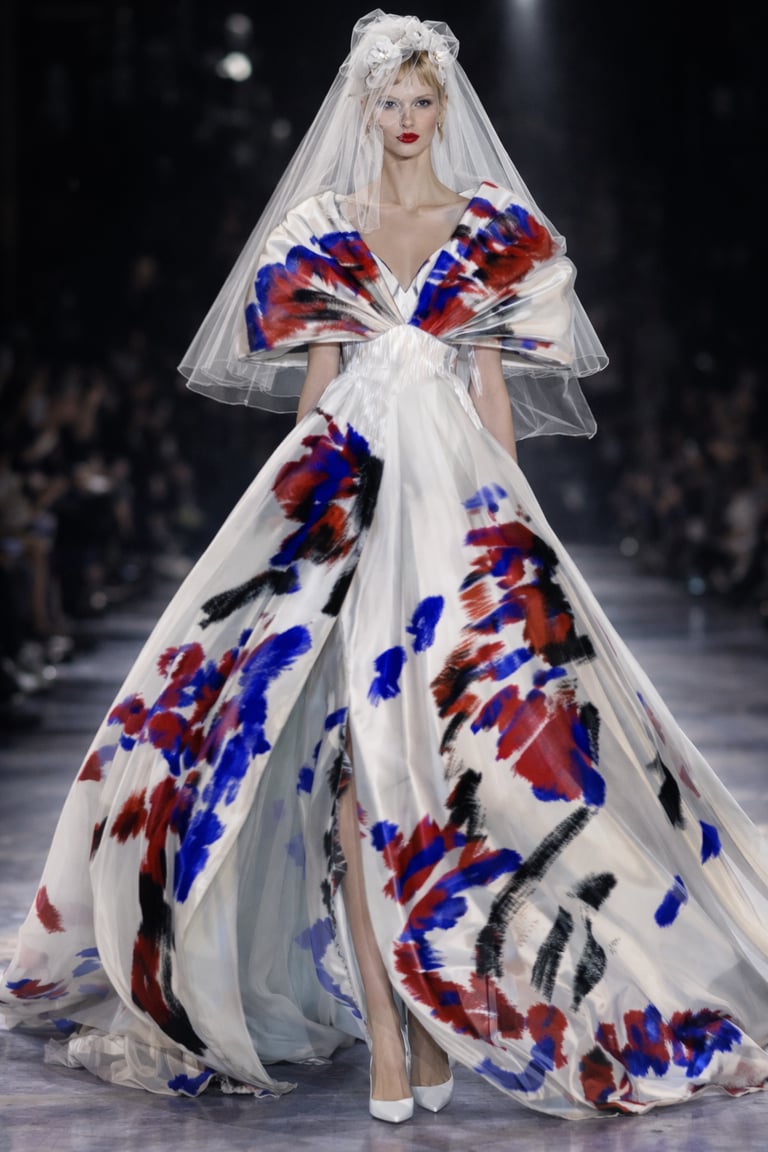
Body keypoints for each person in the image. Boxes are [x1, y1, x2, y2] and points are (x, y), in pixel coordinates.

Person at [3, 7, 768, 1127]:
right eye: (390, 101)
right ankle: (389, 1038)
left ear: (443, 106)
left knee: (453, 778)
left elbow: (494, 397)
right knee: (355, 777)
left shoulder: (492, 230)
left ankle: (435, 1009)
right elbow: (319, 390)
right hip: (347, 507)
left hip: (453, 519)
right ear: (362, 109)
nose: (407, 118)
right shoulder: (323, 230)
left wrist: (519, 535)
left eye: (422, 100)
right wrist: (286, 527)